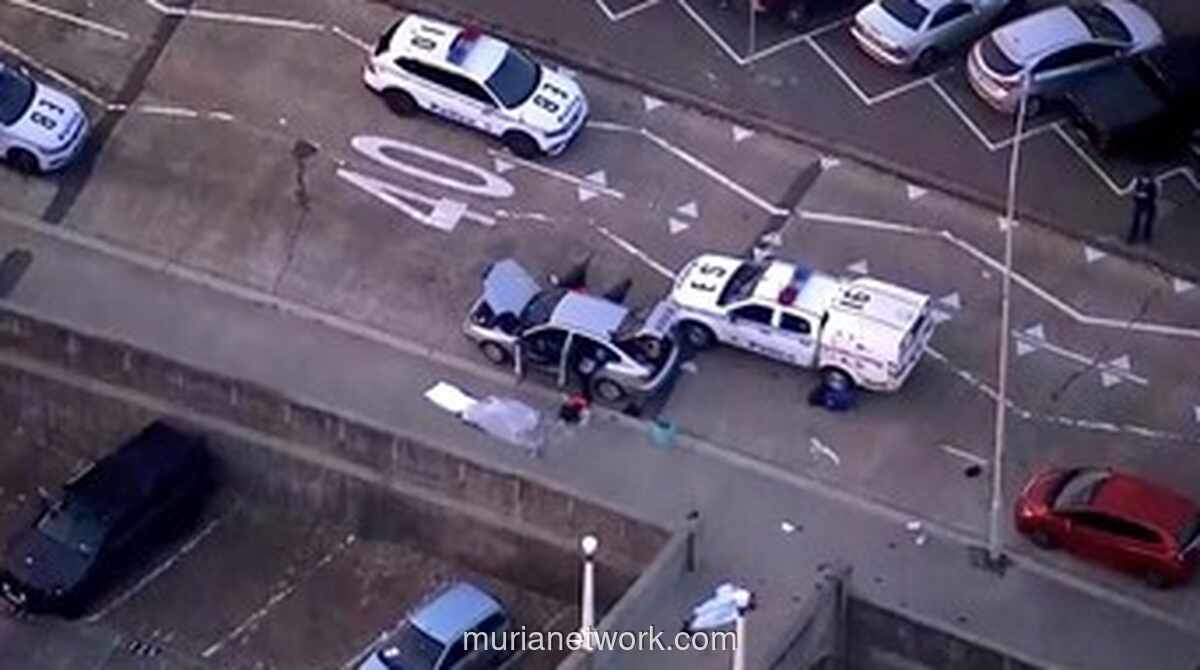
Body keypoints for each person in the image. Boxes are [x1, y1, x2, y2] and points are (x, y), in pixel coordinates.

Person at [1127, 174, 1158, 245]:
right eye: (1144, 179)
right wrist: (1137, 194)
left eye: (1147, 179)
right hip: (1139, 202)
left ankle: (1147, 236)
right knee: (1136, 220)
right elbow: (1130, 190)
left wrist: (1149, 196)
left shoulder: (1155, 183)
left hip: (1149, 203)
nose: (1145, 181)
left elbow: (1157, 192)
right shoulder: (1136, 181)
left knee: (1149, 221)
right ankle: (1133, 236)